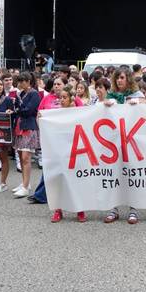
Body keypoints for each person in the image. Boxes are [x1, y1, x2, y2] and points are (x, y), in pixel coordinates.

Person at [103, 66, 146, 224]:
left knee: (132, 173)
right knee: (114, 174)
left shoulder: (137, 95)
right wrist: (106, 104)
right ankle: (113, 208)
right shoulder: (112, 95)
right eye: (117, 78)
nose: (119, 81)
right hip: (115, 141)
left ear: (128, 78)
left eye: (122, 77)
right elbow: (101, 110)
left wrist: (139, 103)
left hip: (132, 141)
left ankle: (133, 209)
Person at [50, 86, 87, 223]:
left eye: (64, 97)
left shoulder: (79, 113)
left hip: (76, 150)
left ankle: (80, 210)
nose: (61, 100)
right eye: (61, 97)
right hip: (61, 150)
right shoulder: (56, 113)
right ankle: (58, 209)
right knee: (60, 179)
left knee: (77, 180)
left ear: (72, 99)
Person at [12, 73, 40, 198]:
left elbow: (29, 110)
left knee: (25, 157)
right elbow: (20, 108)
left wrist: (17, 109)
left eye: (22, 81)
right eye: (19, 81)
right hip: (20, 125)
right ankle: (25, 183)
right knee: (20, 154)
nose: (20, 83)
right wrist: (18, 108)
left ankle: (26, 186)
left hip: (29, 126)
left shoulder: (34, 94)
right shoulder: (21, 94)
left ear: (28, 81)